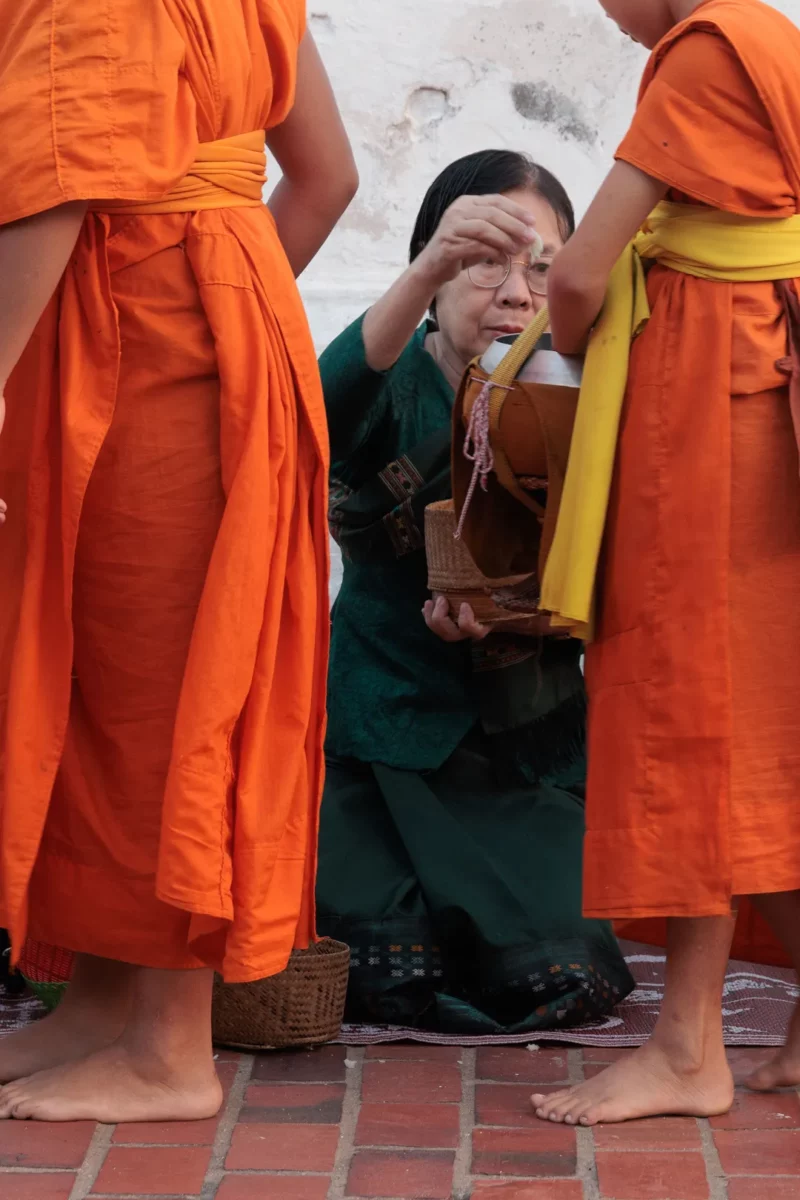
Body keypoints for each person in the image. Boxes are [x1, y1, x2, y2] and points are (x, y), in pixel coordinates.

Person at [0, 0, 357, 1123]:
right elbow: (325, 178)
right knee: (118, 677)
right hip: (209, 329)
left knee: (162, 687)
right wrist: (240, 294)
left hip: (140, 345)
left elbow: (53, 195)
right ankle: (102, 1002)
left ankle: (169, 1049)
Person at [531, 0, 800, 1126]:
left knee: (689, 713)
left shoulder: (699, 51)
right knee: (765, 723)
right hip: (760, 389)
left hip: (705, 420)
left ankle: (687, 1048)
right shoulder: (773, 34)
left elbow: (582, 270)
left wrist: (559, 348)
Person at [316, 151, 634, 1034]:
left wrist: (520, 618)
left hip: (518, 749)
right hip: (383, 741)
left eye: (541, 264)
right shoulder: (394, 381)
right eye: (481, 258)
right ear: (430, 266)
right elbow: (318, 411)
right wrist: (418, 274)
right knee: (377, 967)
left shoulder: (583, 398)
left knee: (564, 972)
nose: (514, 291)